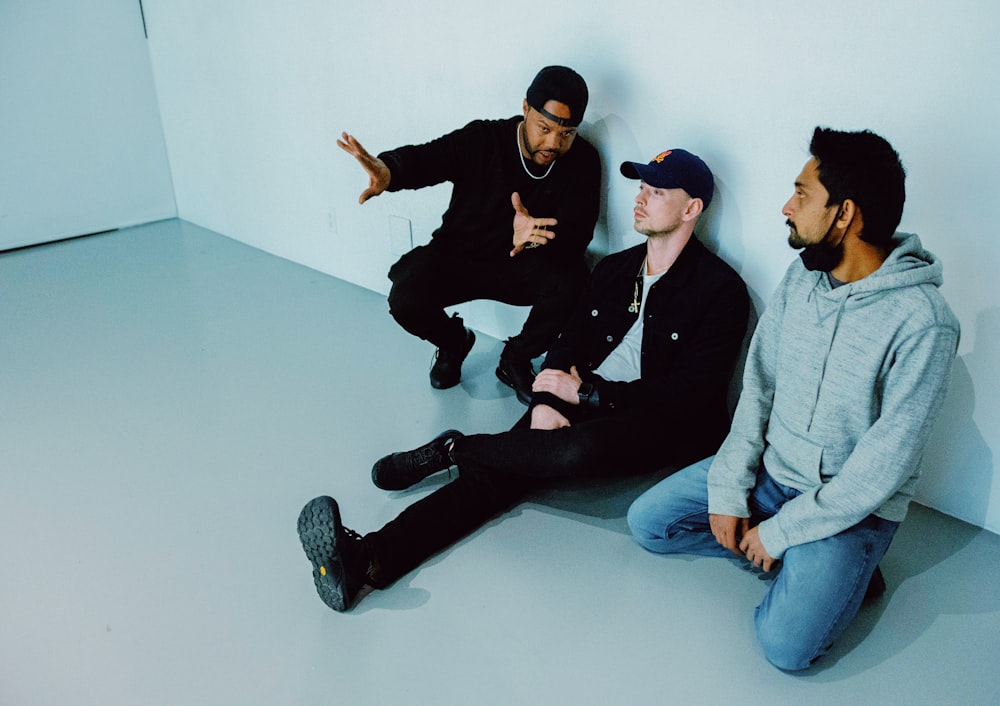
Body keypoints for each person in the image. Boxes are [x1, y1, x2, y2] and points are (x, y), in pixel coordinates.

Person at [298, 148, 750, 612]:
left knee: (576, 449)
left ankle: (452, 450)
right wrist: (544, 401)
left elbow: (690, 395)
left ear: (691, 208)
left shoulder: (721, 292)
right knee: (495, 477)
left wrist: (590, 393)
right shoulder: (616, 269)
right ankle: (367, 559)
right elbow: (570, 339)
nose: (641, 198)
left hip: (653, 418)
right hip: (581, 392)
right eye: (641, 187)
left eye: (657, 192)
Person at [627, 127, 961, 671]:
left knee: (785, 649)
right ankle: (804, 563)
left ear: (845, 214)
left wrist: (784, 532)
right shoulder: (801, 279)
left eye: (802, 194)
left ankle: (834, 565)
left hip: (850, 507)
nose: (787, 206)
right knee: (650, 524)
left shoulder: (924, 324)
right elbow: (757, 387)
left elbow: (881, 470)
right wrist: (733, 487)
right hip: (771, 474)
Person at [337, 66, 601, 402]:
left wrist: (532, 237)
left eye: (567, 134)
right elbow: (429, 159)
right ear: (525, 108)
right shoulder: (484, 139)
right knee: (405, 297)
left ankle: (515, 359)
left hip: (521, 265)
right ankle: (454, 343)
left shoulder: (583, 161)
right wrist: (389, 172)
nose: (553, 143)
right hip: (460, 255)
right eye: (544, 128)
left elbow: (579, 236)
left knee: (574, 279)